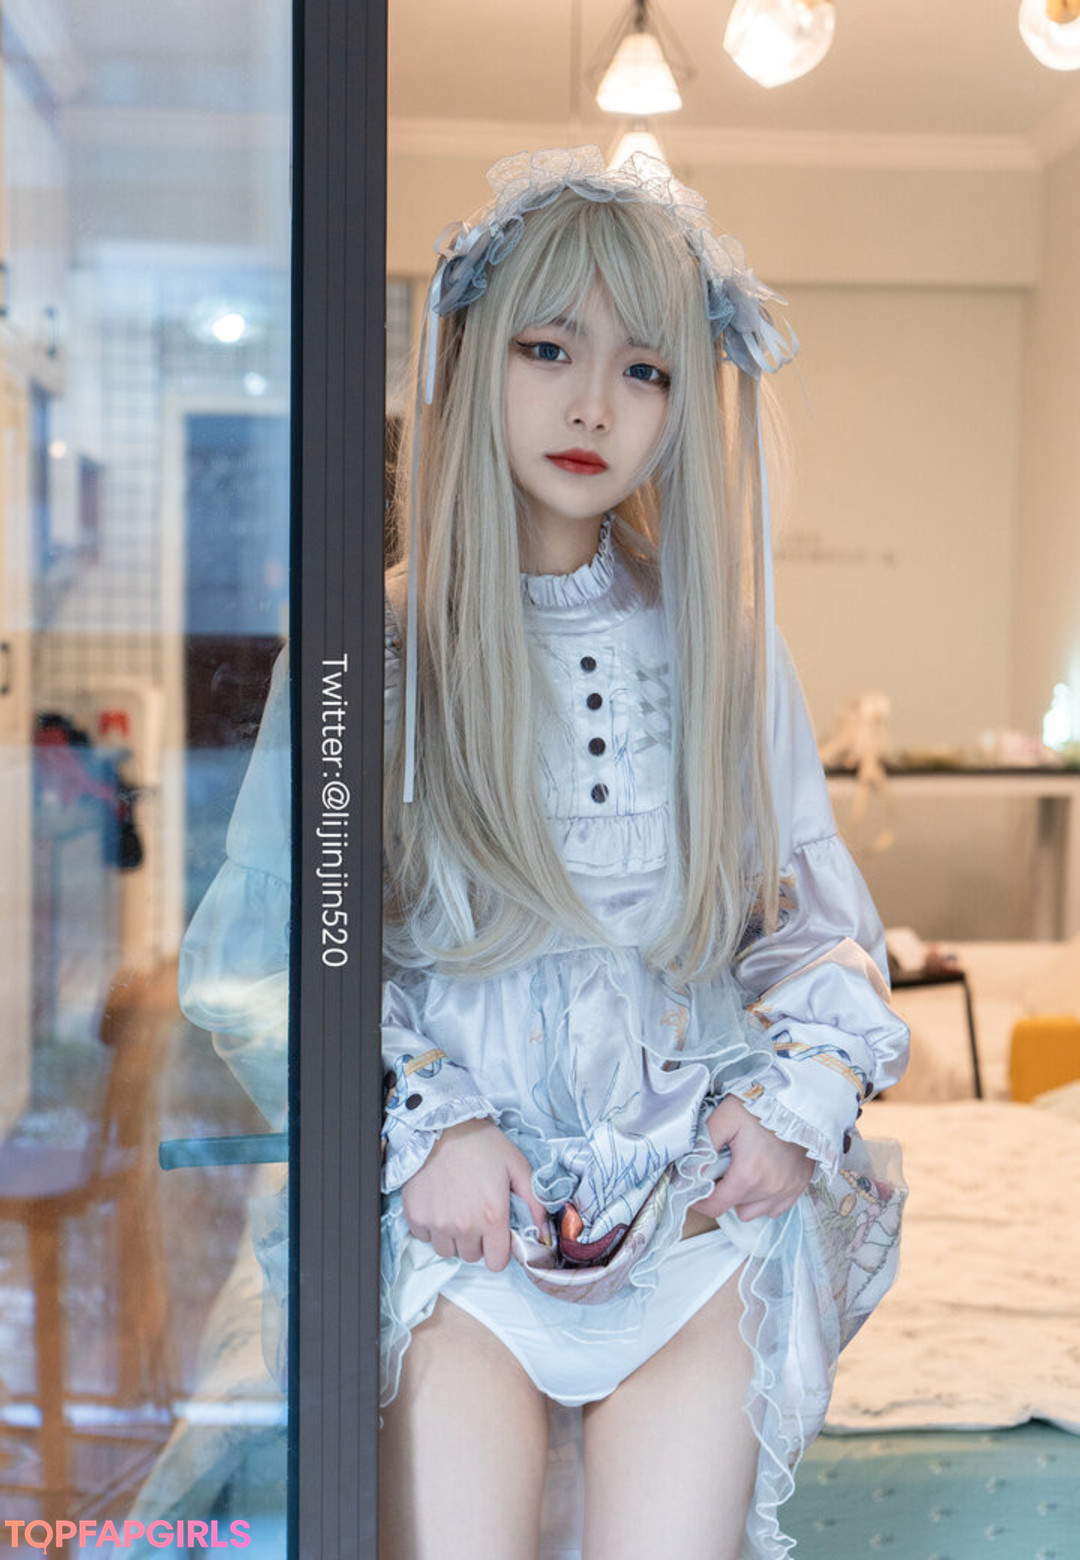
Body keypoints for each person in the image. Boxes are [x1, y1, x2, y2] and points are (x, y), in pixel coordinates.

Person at [180, 146, 909, 1560]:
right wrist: (427, 1121)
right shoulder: (369, 651)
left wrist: (800, 1098)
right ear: (473, 358)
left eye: (645, 370)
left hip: (690, 1230)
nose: (593, 405)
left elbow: (814, 924)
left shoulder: (723, 649)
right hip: (458, 1244)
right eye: (548, 348)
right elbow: (266, 959)